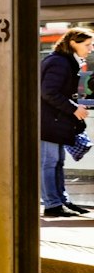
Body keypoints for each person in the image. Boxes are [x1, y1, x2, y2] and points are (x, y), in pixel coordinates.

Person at [40, 27, 92, 219]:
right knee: (49, 163)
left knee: (57, 162)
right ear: (72, 43)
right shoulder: (59, 63)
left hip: (54, 121)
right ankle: (52, 204)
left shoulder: (65, 61)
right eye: (87, 45)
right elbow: (48, 92)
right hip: (49, 121)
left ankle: (61, 201)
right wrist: (74, 108)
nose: (91, 48)